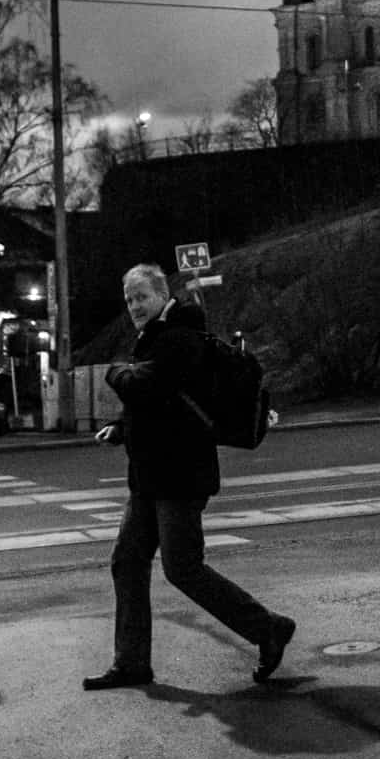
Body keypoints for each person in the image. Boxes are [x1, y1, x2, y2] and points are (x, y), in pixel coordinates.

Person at [83, 262, 295, 690]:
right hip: (149, 475)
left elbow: (147, 385)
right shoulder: (156, 338)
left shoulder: (180, 337)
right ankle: (131, 664)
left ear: (162, 295)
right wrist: (123, 428)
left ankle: (268, 628)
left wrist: (113, 371)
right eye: (129, 300)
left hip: (179, 474)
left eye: (141, 296)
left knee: (183, 569)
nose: (135, 306)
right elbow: (156, 401)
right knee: (127, 562)